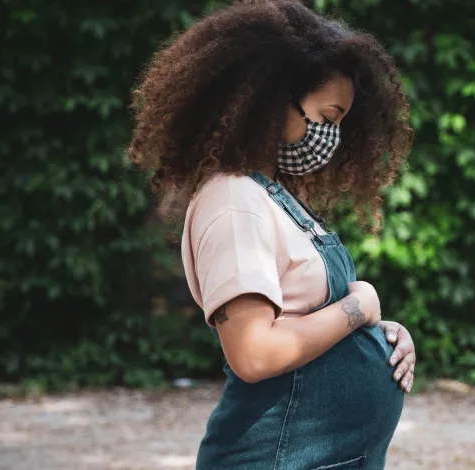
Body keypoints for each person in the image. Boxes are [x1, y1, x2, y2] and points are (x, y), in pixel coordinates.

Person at [127, 0, 416, 468]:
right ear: (272, 100)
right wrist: (358, 307)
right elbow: (255, 353)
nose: (332, 137)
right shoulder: (233, 200)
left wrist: (378, 336)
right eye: (328, 117)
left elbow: (306, 316)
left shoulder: (272, 196)